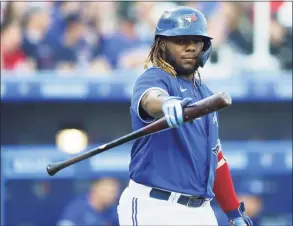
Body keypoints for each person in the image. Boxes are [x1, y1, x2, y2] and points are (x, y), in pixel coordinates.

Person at [117, 6, 253, 226]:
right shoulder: (156, 78)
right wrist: (166, 103)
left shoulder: (206, 95)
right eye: (181, 41)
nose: (190, 47)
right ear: (162, 45)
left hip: (201, 212)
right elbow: (150, 98)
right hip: (154, 207)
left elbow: (216, 158)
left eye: (196, 41)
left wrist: (233, 211)